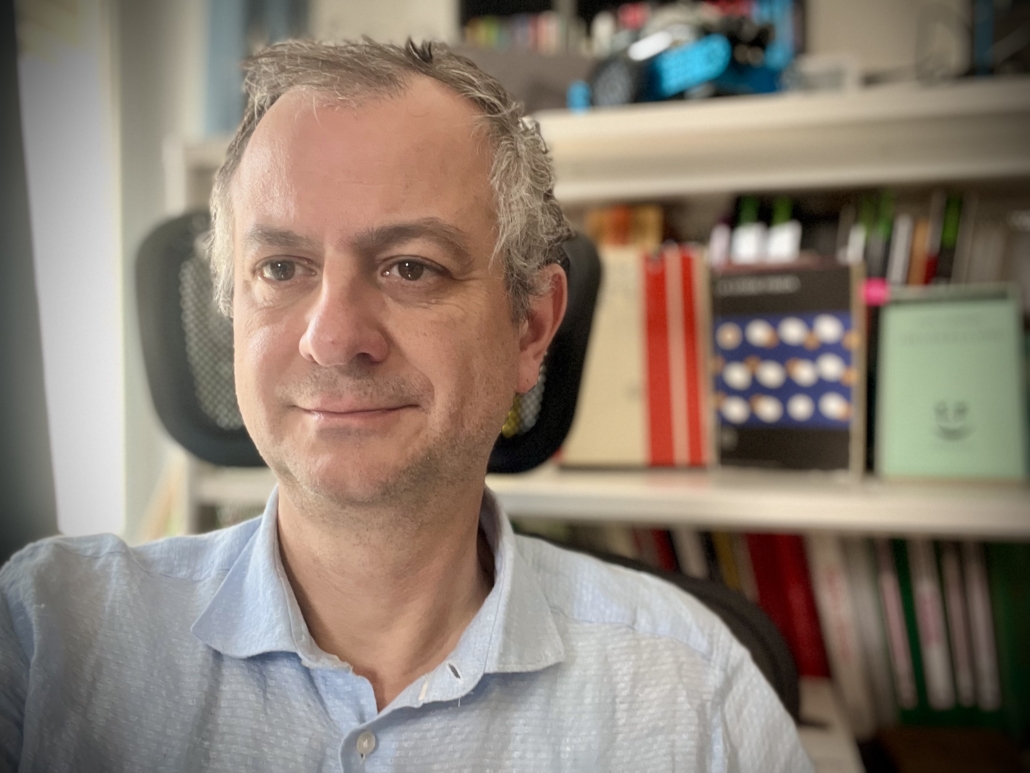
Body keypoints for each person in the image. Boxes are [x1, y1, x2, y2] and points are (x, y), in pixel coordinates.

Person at [0, 39, 812, 772]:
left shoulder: (695, 693)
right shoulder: (48, 636)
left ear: (530, 327)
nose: (333, 338)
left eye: (411, 267)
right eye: (281, 268)